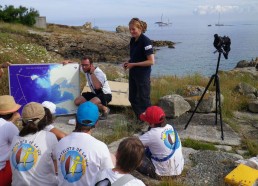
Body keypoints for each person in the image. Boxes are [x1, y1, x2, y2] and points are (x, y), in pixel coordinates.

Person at [54, 101, 114, 186]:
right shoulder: (101, 147)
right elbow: (109, 176)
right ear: (96, 123)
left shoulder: (61, 143)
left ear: (75, 120)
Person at [9, 102, 58, 185]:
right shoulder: (49, 136)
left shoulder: (15, 137)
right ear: (44, 118)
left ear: (23, 120)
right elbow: (57, 163)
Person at [137, 106, 184, 179]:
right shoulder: (170, 127)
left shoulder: (151, 134)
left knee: (133, 156)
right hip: (178, 170)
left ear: (151, 123)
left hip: (162, 174)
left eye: (146, 120)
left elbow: (132, 145)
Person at [123, 18, 155, 121]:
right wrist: (129, 63)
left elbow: (151, 61)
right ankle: (141, 119)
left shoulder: (146, 41)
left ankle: (150, 123)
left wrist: (133, 64)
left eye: (133, 29)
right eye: (130, 29)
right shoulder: (132, 40)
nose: (131, 32)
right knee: (132, 98)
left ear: (140, 28)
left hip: (143, 75)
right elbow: (135, 57)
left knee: (144, 100)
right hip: (133, 74)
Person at [0, 95, 20, 186]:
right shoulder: (9, 126)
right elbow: (19, 145)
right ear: (13, 112)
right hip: (2, 172)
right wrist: (13, 121)